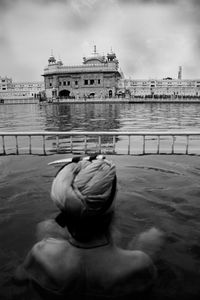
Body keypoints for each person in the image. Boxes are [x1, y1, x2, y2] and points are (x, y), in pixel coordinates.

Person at [14, 155, 164, 300]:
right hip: (119, 269)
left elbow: (18, 279)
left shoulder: (39, 253)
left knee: (45, 228)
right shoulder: (139, 265)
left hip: (56, 270)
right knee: (153, 236)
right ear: (111, 205)